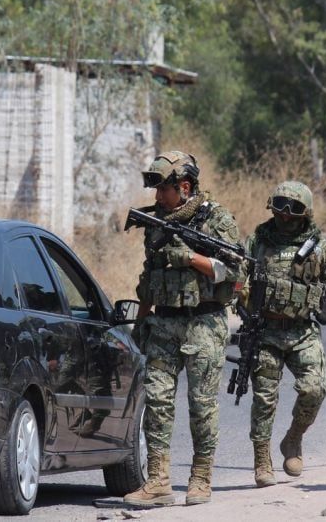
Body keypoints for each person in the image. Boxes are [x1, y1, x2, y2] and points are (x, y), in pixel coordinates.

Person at [124, 151, 242, 507]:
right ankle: (158, 480)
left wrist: (189, 257)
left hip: (204, 322)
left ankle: (201, 477)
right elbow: (149, 280)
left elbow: (234, 271)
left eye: (164, 190)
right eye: (157, 190)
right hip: (163, 322)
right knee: (157, 401)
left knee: (201, 404)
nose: (158, 197)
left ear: (185, 187)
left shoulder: (216, 219)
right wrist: (141, 323)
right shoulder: (158, 224)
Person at [240, 181, 326, 488]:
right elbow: (238, 279)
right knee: (264, 399)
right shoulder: (258, 241)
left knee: (314, 390)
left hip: (302, 331)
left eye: (293, 209)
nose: (285, 215)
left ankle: (293, 439)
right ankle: (261, 459)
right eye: (279, 207)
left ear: (304, 213)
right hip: (266, 331)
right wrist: (240, 295)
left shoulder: (317, 246)